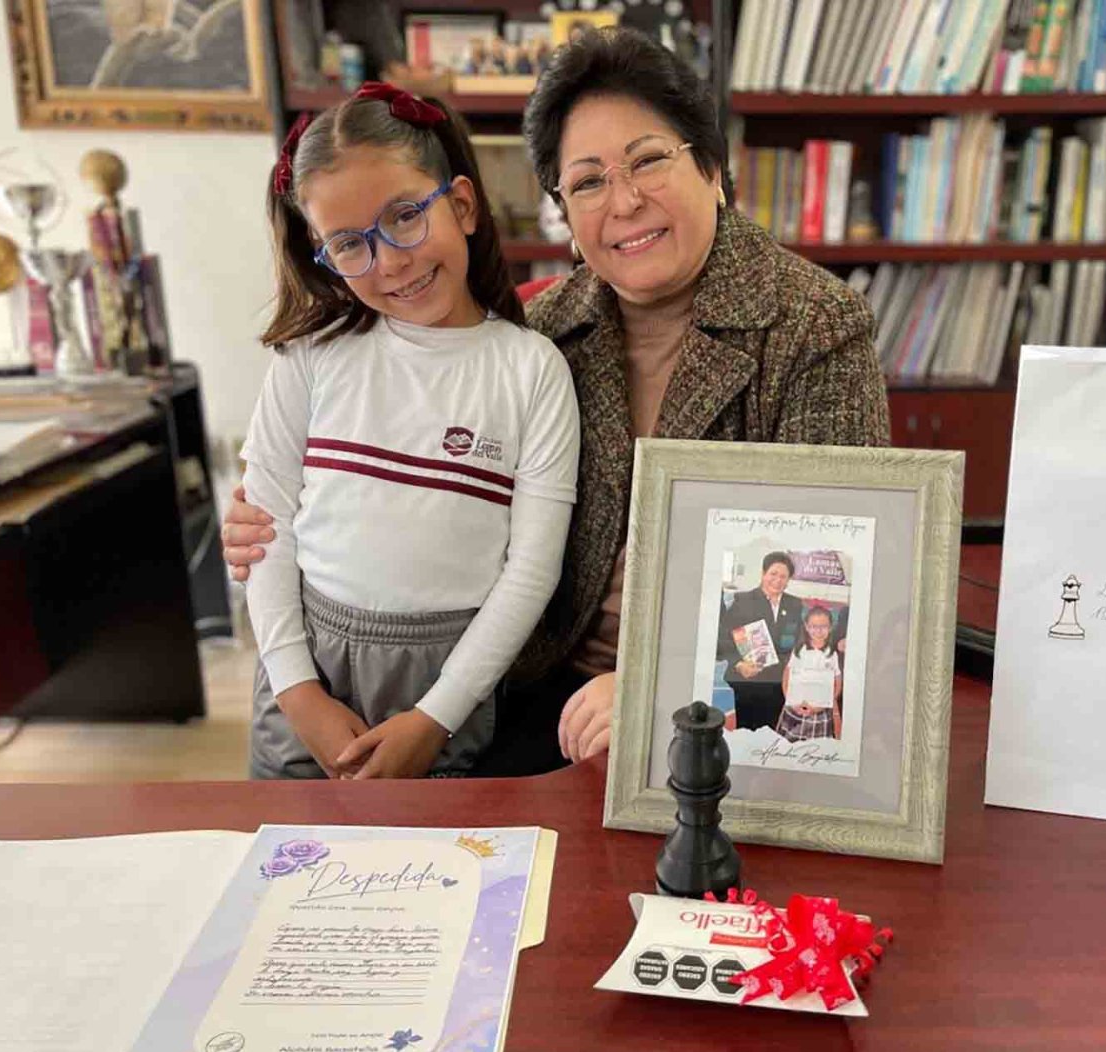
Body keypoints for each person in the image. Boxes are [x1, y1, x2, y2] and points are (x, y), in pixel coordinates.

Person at [221, 29, 890, 773]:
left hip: (729, 703)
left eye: (647, 161)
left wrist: (660, 684)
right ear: (562, 212)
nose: (626, 201)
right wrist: (270, 518)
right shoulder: (546, 331)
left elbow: (835, 593)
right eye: (589, 182)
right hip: (536, 691)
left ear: (710, 165)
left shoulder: (814, 328)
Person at [243, 81, 579, 780]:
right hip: (305, 663)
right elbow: (264, 526)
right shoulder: (311, 355)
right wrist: (298, 693)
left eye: (404, 217)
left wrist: (437, 715)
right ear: (321, 253)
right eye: (349, 245)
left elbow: (530, 571)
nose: (390, 261)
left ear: (461, 204)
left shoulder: (531, 369)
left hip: (450, 682)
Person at [715, 553, 803, 732]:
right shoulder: (743, 600)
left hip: (778, 681)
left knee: (771, 731)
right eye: (773, 574)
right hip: (748, 680)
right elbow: (725, 637)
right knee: (747, 732)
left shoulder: (794, 604)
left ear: (788, 580)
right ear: (763, 573)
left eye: (783, 576)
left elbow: (799, 639)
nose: (777, 580)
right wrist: (738, 664)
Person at [776, 606, 842, 743]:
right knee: (788, 746)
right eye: (814, 626)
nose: (818, 631)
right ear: (806, 627)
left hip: (820, 712)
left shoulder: (832, 654)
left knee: (817, 749)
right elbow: (787, 676)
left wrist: (822, 705)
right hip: (796, 709)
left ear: (830, 627)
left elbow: (837, 682)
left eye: (823, 626)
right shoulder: (799, 651)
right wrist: (792, 702)